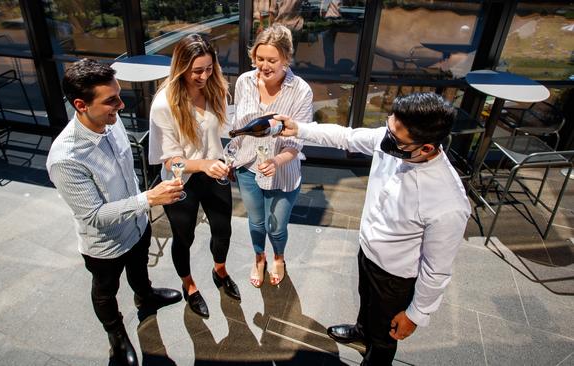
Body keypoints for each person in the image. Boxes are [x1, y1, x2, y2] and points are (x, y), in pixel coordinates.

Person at [275, 92, 471, 366]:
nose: (386, 139)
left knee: (384, 336)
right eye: (389, 127)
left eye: (396, 138)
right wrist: (301, 129)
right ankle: (361, 332)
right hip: (367, 250)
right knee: (365, 301)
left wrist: (415, 315)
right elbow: (347, 136)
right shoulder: (394, 139)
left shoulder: (447, 202)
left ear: (426, 148)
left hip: (394, 277)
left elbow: (436, 269)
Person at [46, 59, 183, 366]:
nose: (120, 105)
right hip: (105, 245)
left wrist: (142, 204)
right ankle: (117, 338)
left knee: (139, 268)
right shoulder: (65, 159)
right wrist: (148, 198)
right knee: (105, 291)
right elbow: (93, 215)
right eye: (111, 100)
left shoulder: (111, 119)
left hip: (137, 224)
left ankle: (145, 296)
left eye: (119, 95)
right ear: (81, 105)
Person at [149, 34, 240, 319]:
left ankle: (220, 270)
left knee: (223, 229)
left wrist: (230, 157)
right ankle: (189, 285)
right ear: (181, 68)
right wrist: (202, 165)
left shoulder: (215, 89)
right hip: (181, 179)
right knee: (183, 236)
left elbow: (222, 134)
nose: (203, 76)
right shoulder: (164, 104)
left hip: (213, 170)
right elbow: (171, 161)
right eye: (196, 70)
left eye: (209, 68)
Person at [232, 24, 313, 288]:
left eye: (271, 60)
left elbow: (298, 140)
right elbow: (238, 127)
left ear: (287, 59)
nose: (263, 66)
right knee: (256, 222)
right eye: (259, 58)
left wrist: (276, 161)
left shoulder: (301, 91)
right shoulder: (244, 81)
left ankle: (278, 257)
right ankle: (259, 257)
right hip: (248, 168)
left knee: (276, 227)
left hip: (284, 170)